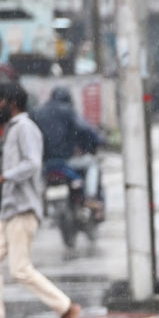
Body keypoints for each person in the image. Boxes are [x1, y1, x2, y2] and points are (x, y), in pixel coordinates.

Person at [0, 83, 81, 318]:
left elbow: (32, 164)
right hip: (9, 210)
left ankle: (66, 308)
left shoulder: (26, 128)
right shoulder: (9, 131)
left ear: (12, 103)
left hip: (24, 208)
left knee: (20, 269)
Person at [33, 86, 105, 220]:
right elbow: (85, 130)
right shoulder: (67, 111)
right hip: (66, 161)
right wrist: (99, 140)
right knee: (93, 163)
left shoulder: (38, 112)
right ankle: (91, 196)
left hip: (45, 163)